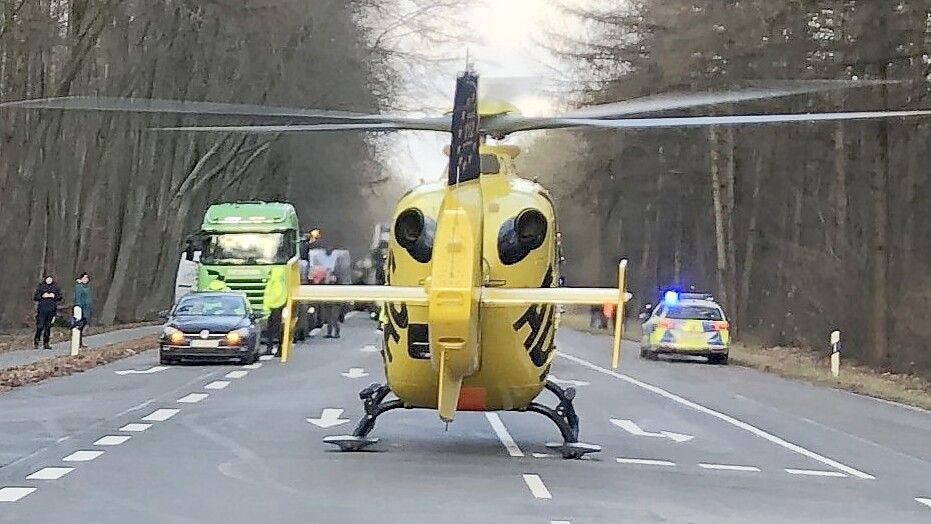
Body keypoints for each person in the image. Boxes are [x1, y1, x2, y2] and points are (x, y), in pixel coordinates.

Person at [33, 275, 62, 349]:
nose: (49, 281)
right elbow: (35, 297)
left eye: (50, 279)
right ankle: (36, 341)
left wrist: (54, 296)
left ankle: (46, 343)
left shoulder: (56, 287)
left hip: (52, 309)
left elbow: (60, 297)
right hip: (42, 310)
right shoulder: (41, 287)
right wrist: (43, 296)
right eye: (48, 279)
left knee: (48, 327)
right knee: (40, 326)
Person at [74, 272, 92, 348]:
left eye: (87, 278)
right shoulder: (79, 287)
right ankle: (77, 342)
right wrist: (78, 307)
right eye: (84, 278)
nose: (86, 279)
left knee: (82, 325)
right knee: (79, 325)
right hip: (81, 309)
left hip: (87, 309)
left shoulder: (87, 287)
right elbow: (78, 298)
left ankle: (80, 342)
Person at [322, 273, 342, 339]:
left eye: (333, 277)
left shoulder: (338, 286)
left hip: (335, 304)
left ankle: (337, 333)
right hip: (328, 303)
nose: (332, 278)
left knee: (334, 318)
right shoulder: (326, 285)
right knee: (328, 319)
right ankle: (329, 333)